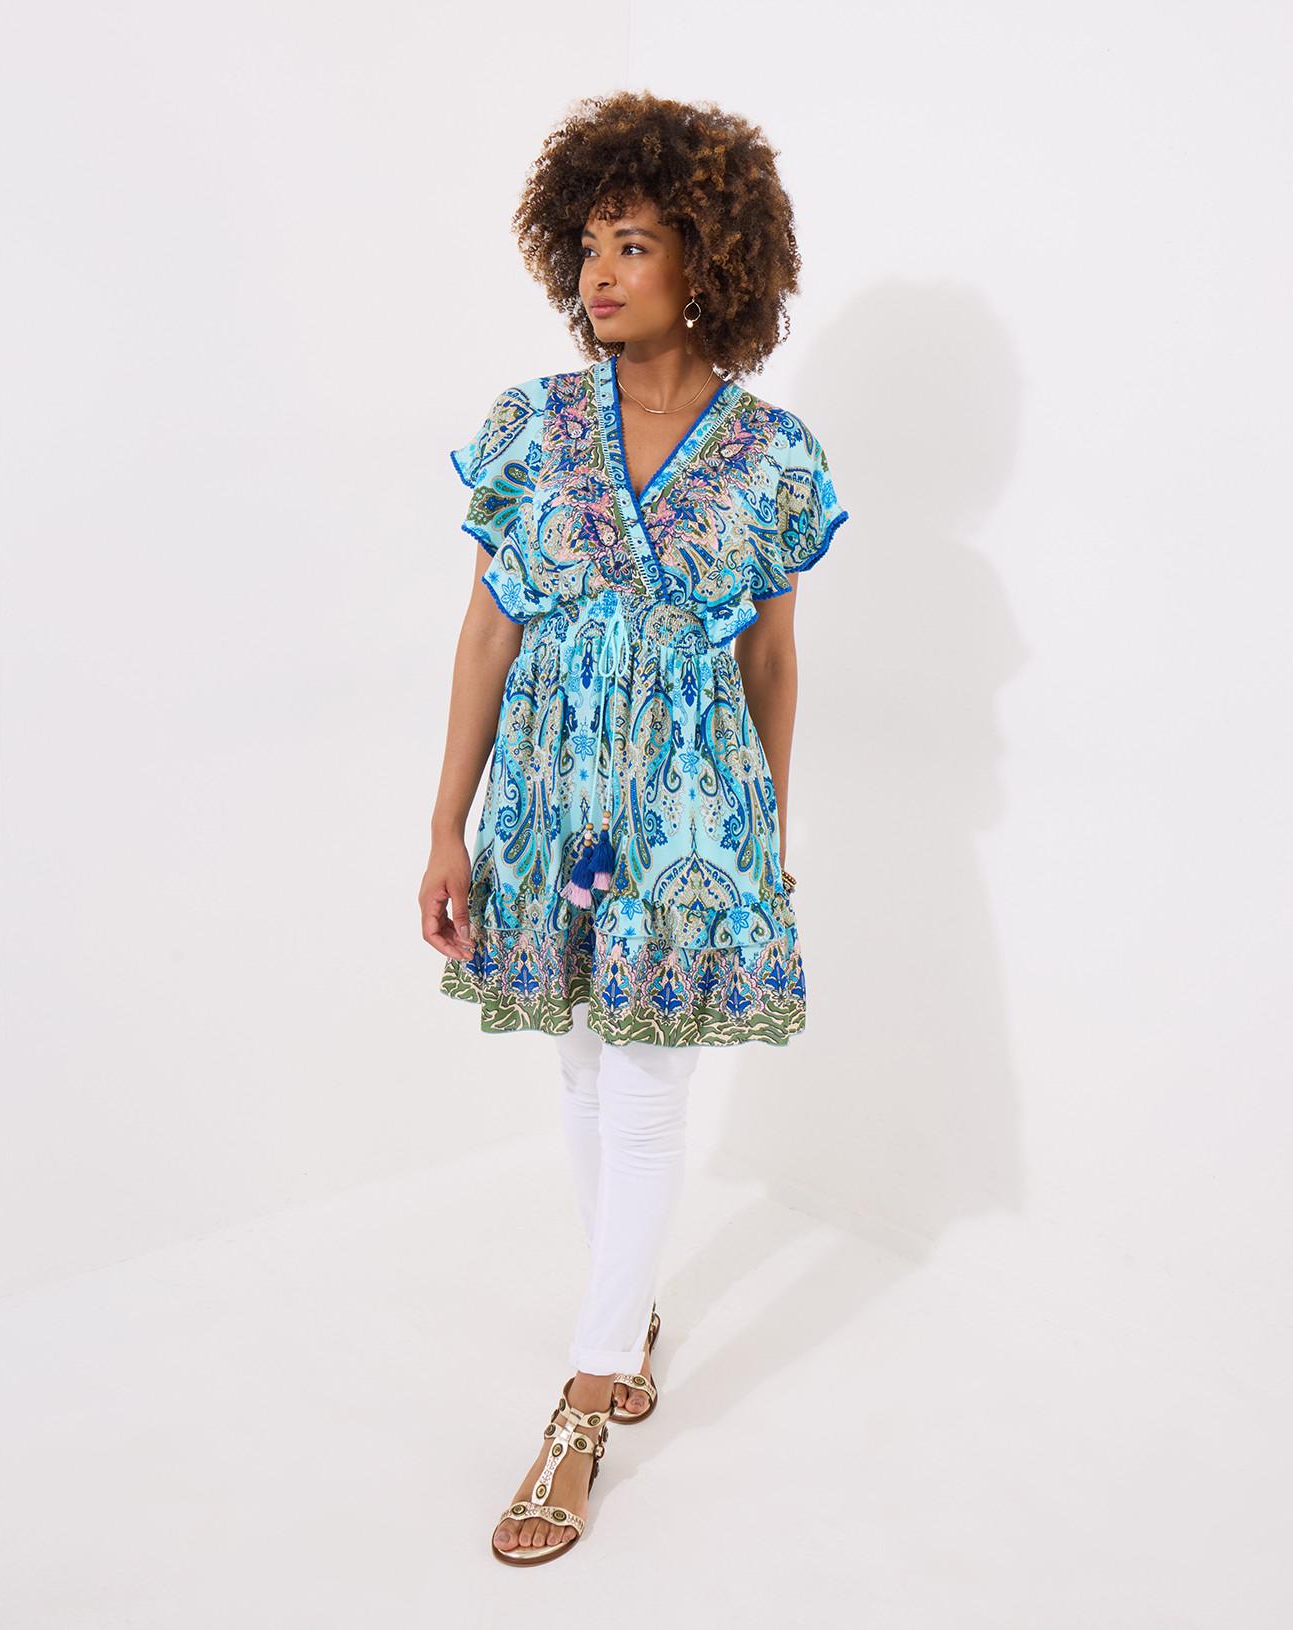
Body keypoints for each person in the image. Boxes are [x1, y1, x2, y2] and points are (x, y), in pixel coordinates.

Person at [418, 89, 849, 1566]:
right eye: (589, 245)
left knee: (650, 1091)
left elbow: (773, 664)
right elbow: (487, 634)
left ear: (709, 261)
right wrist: (446, 825)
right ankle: (632, 1308)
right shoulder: (534, 428)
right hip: (550, 806)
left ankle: (586, 1400)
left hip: (688, 818)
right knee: (583, 1067)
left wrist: (762, 843)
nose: (601, 274)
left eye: (636, 244)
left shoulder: (774, 457)